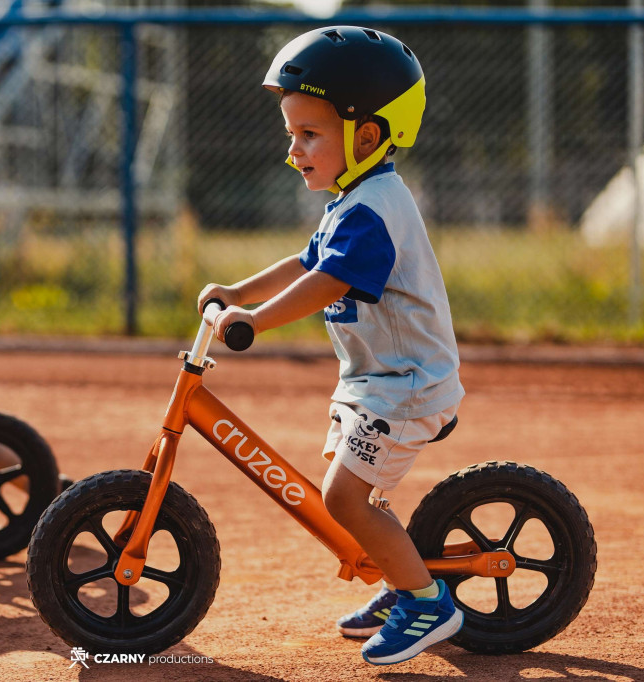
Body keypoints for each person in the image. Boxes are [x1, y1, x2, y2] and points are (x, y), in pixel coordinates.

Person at [198, 26, 465, 666]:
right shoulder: (354, 199)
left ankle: (427, 602)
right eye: (291, 134)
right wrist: (238, 291)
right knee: (356, 493)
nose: (294, 151)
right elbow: (305, 260)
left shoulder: (375, 208)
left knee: (344, 498)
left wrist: (255, 322)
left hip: (407, 386)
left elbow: (328, 280)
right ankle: (400, 575)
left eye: (309, 134)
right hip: (381, 381)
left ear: (366, 135)